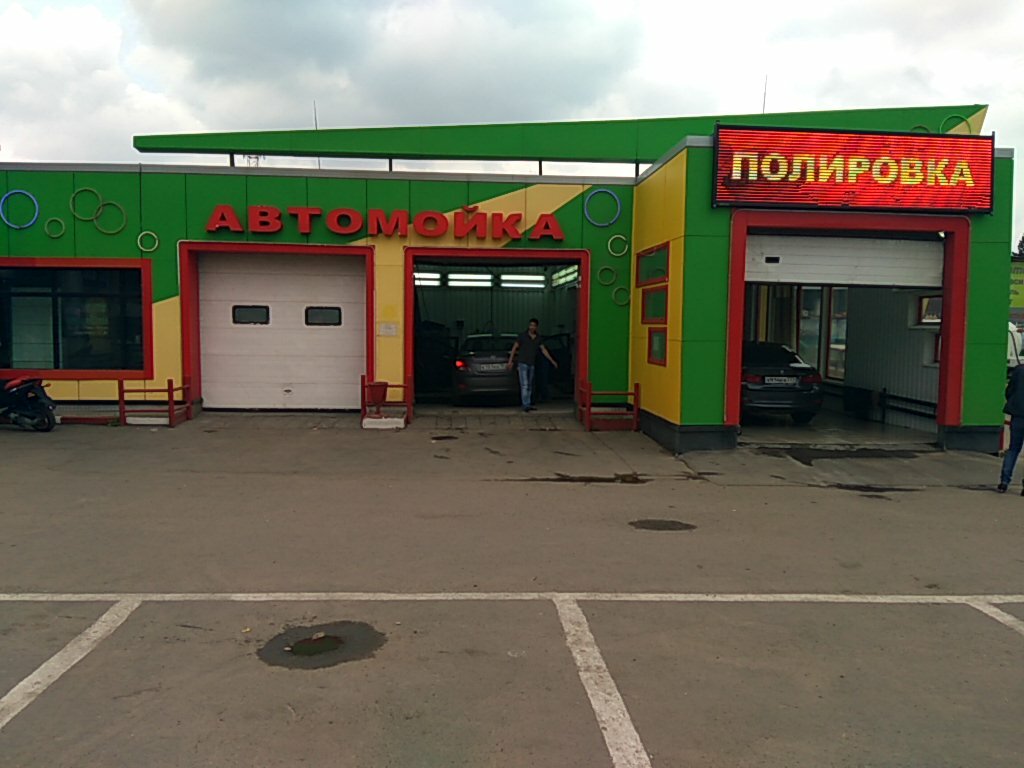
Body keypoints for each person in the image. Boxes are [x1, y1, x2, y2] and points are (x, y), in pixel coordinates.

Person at [507, 318, 558, 412]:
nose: (531, 327)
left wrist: (552, 361)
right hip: (522, 363)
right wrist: (510, 361)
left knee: (530, 385)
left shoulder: (538, 338)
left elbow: (544, 350)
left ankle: (528, 403)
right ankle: (525, 405)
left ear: (536, 327)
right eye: (530, 325)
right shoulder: (522, 336)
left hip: (531, 364)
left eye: (533, 326)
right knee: (525, 384)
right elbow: (514, 348)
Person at [998, 363, 1024, 493]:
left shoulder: (1019, 370)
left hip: (1018, 414)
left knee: (1013, 449)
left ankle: (1004, 481)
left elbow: (1009, 391)